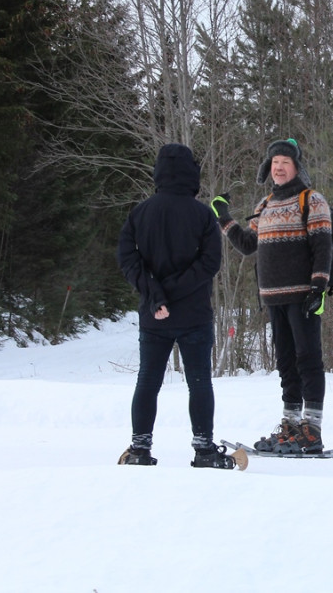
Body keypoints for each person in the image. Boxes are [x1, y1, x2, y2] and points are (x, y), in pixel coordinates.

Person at [117, 143, 238, 469]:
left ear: (159, 172)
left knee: (148, 381)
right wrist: (171, 294)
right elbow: (210, 262)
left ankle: (139, 449)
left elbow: (127, 259)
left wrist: (157, 296)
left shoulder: (140, 212)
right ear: (191, 173)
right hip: (194, 313)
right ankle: (203, 449)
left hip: (154, 314)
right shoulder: (202, 215)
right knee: (199, 381)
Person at [211, 138, 333, 454]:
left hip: (304, 295)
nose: (278, 168)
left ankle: (312, 431)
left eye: (285, 163)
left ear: (296, 168)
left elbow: (322, 248)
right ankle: (290, 426)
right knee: (286, 363)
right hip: (273, 297)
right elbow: (248, 244)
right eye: (275, 163)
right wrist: (223, 217)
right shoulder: (264, 205)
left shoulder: (312, 200)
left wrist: (319, 288)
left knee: (308, 359)